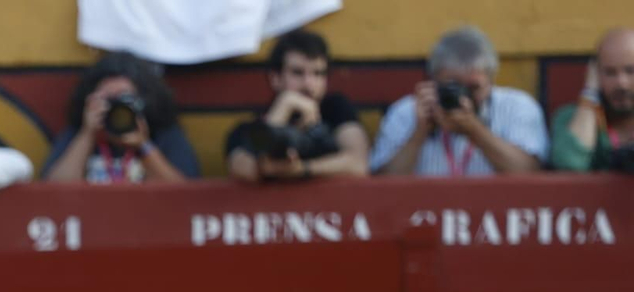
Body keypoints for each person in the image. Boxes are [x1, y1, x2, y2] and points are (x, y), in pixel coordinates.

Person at [370, 26, 547, 176]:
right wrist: (419, 133)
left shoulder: (517, 107)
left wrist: (474, 130)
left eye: (473, 88)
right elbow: (383, 184)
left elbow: (529, 172)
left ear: (491, 80)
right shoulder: (406, 111)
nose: (463, 98)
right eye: (453, 87)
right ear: (433, 80)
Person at [225, 29, 369, 183]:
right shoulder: (246, 130)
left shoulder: (335, 109)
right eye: (298, 73)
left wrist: (302, 169)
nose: (309, 84)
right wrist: (282, 109)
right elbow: (246, 170)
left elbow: (359, 164)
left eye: (318, 73)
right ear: (275, 78)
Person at [43, 53, 199, 183]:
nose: (116, 107)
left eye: (125, 98)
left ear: (144, 100)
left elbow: (183, 195)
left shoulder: (164, 135)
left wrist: (144, 146)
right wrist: (87, 134)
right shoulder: (78, 134)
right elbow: (55, 192)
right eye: (108, 99)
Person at [550, 27, 634, 172]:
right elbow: (569, 163)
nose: (621, 83)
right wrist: (590, 94)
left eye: (631, 71)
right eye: (610, 72)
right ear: (594, 74)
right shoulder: (570, 117)